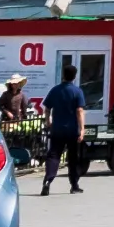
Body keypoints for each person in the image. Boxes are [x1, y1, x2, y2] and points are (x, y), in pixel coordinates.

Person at [39, 61, 88, 195]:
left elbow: (47, 108)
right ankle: (74, 185)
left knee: (54, 156)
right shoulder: (77, 91)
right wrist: (82, 129)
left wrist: (48, 121)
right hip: (72, 130)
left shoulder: (55, 90)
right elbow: (79, 111)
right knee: (73, 158)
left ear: (63, 75)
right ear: (74, 76)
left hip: (57, 129)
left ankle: (48, 181)